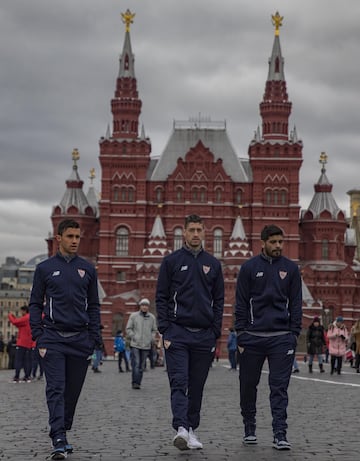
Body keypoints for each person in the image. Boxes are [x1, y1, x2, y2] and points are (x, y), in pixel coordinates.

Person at [29, 219, 102, 460]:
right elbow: (35, 303)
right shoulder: (44, 269)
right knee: (56, 389)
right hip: (52, 338)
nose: (74, 241)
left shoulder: (88, 269)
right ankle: (58, 436)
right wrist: (39, 336)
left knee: (72, 391)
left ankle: (63, 428)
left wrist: (94, 337)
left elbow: (94, 305)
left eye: (77, 237)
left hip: (80, 339)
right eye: (69, 236)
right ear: (58, 238)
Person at [156, 214, 224, 451]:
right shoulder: (171, 261)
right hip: (177, 333)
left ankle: (191, 429)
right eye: (191, 230)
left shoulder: (213, 264)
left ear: (204, 232)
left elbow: (219, 299)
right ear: (183, 233)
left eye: (199, 229)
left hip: (204, 334)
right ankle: (181, 428)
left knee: (197, 385)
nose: (195, 234)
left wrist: (215, 330)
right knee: (179, 381)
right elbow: (161, 296)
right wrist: (165, 328)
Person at [235, 224, 302, 450]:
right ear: (262, 243)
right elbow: (241, 303)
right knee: (247, 385)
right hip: (252, 337)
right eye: (273, 242)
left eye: (280, 242)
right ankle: (249, 428)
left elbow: (296, 303)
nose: (278, 246)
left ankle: (280, 433)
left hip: (281, 338)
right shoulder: (248, 268)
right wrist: (241, 333)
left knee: (279, 387)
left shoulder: (291, 269)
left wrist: (293, 333)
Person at [126, 298, 157, 389]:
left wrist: (151, 338)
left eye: (146, 305)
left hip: (146, 346)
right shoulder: (134, 316)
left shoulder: (152, 317)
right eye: (143, 305)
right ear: (140, 306)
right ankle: (135, 382)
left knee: (142, 365)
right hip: (135, 344)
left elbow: (154, 330)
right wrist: (134, 336)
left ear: (148, 307)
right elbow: (128, 329)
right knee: (136, 363)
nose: (144, 307)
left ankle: (138, 382)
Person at [8, 305, 33, 382]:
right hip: (28, 343)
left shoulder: (26, 317)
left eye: (21, 311)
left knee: (18, 360)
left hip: (22, 342)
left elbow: (15, 322)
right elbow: (18, 323)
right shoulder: (30, 318)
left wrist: (10, 315)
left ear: (25, 311)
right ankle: (27, 376)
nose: (21, 313)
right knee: (26, 360)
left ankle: (17, 376)